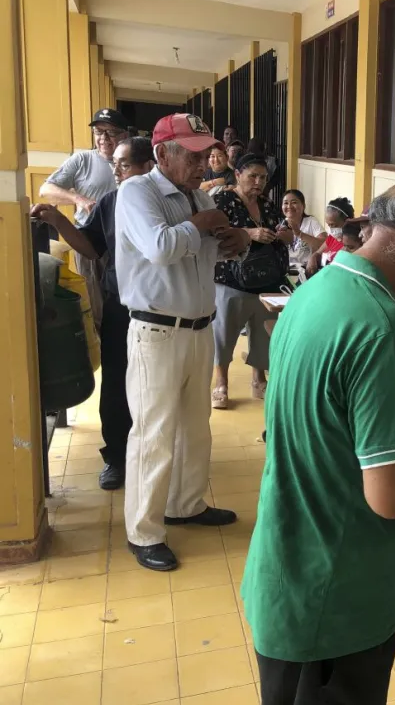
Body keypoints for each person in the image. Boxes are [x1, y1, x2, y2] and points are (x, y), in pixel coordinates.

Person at [241, 177, 395, 705]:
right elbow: (393, 497)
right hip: (337, 599)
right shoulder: (385, 327)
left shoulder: (316, 293)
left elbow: (320, 421)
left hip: (289, 570)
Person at [115, 113, 251, 571]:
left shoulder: (198, 196)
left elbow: (211, 249)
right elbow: (159, 247)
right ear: (161, 154)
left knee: (195, 426)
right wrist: (205, 220)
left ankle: (186, 504)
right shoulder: (138, 193)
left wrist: (235, 241)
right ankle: (144, 531)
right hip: (156, 331)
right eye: (192, 154)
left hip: (198, 327)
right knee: (153, 433)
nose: (203, 162)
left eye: (204, 153)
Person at [30, 136, 155, 491]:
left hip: (159, 306)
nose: (115, 170)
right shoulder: (111, 202)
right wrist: (59, 221)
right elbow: (91, 245)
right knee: (116, 380)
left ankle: (152, 453)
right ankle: (116, 456)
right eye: (114, 163)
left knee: (154, 384)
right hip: (121, 305)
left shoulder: (165, 201)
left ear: (148, 167)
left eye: (124, 164)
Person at [211, 154, 290, 410]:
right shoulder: (223, 200)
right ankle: (220, 382)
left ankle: (259, 378)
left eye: (263, 178)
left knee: (262, 330)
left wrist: (283, 235)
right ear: (238, 175)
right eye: (253, 176)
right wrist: (250, 233)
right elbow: (216, 234)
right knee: (225, 331)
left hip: (266, 279)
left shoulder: (267, 204)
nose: (259, 182)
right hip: (232, 278)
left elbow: (279, 230)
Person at [40, 108, 129, 326]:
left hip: (124, 242)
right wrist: (78, 199)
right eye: (99, 132)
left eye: (111, 132)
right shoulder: (82, 160)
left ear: (125, 135)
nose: (104, 139)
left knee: (124, 301)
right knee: (95, 301)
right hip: (89, 241)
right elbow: (46, 189)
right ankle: (103, 346)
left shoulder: (134, 162)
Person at [305, 197, 355, 275]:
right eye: (329, 225)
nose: (331, 229)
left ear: (347, 221)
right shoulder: (332, 238)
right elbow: (317, 253)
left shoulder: (351, 244)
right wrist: (312, 258)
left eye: (333, 225)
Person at [277, 189, 326, 269]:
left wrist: (299, 233)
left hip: (307, 270)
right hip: (286, 271)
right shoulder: (280, 225)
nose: (289, 206)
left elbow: (325, 244)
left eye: (294, 202)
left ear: (303, 206)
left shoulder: (311, 221)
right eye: (285, 203)